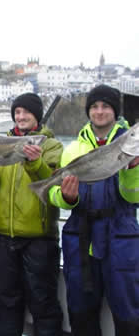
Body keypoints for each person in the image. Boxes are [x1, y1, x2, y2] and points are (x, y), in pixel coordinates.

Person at [48, 84, 139, 336]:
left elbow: (135, 196)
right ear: (88, 111)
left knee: (128, 311)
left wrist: (132, 171)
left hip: (121, 235)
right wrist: (68, 197)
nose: (100, 112)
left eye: (106, 106)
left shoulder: (131, 147)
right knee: (81, 311)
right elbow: (55, 194)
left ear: (115, 111)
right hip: (81, 236)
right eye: (95, 107)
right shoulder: (73, 149)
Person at [0, 92, 64, 336]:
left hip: (39, 238)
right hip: (3, 236)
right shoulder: (2, 144)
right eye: (17, 112)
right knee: (7, 301)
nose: (21, 116)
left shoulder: (52, 146)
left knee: (43, 304)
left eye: (26, 112)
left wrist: (34, 162)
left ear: (36, 115)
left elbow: (52, 187)